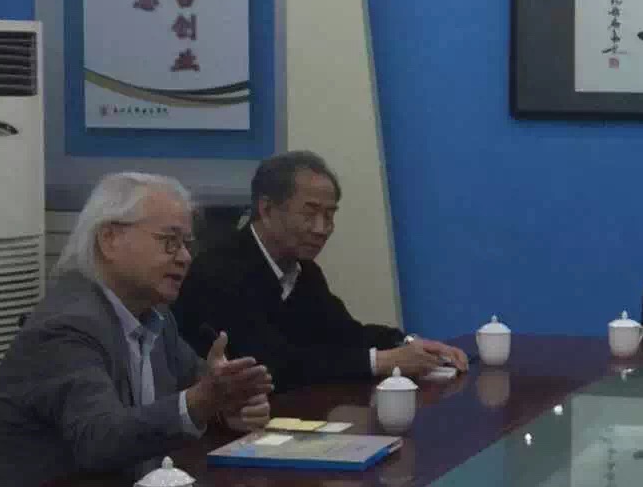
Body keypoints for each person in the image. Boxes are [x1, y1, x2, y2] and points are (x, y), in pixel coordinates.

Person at [0, 172, 271, 487]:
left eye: (187, 243)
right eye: (170, 241)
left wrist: (231, 404)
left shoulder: (156, 317)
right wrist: (201, 401)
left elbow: (199, 384)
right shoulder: (66, 327)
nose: (185, 257)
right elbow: (101, 439)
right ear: (109, 239)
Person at [174, 150, 467, 393]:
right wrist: (381, 361)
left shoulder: (305, 272)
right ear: (267, 209)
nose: (322, 228)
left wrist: (408, 344)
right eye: (310, 213)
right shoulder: (218, 271)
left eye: (329, 215)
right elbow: (268, 365)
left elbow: (345, 334)